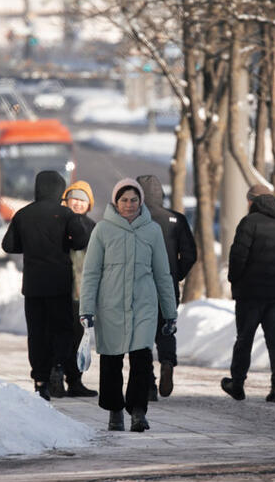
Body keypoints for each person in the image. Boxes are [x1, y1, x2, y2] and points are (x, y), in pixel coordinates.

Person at [79, 178, 178, 432]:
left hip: (144, 305)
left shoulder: (152, 230)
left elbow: (162, 274)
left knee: (141, 359)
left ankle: (137, 412)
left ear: (141, 201)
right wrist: (86, 309)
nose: (129, 204)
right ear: (116, 202)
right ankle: (115, 411)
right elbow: (91, 273)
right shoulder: (102, 230)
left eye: (134, 200)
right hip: (110, 305)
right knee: (111, 361)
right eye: (124, 200)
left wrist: (170, 313)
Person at [2, 170, 88, 401]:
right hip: (59, 283)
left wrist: (29, 246)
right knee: (62, 329)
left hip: (33, 285)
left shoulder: (23, 214)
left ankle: (40, 380)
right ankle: (58, 366)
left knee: (37, 333)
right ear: (60, 189)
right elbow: (81, 241)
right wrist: (65, 243)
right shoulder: (66, 214)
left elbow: (8, 245)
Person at [221, 184, 275, 403]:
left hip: (250, 293)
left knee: (244, 338)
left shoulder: (249, 223)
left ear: (252, 201)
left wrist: (235, 279)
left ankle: (237, 384)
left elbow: (238, 256)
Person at [136, 175, 197, 400]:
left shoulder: (132, 219)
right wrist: (175, 274)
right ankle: (168, 362)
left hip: (139, 287)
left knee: (141, 335)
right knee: (166, 328)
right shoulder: (176, 219)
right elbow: (190, 254)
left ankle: (148, 385)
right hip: (167, 286)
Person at [61, 180, 98, 397]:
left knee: (78, 336)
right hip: (61, 287)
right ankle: (56, 376)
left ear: (89, 204)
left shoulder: (93, 227)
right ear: (66, 200)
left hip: (82, 290)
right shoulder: (58, 222)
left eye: (82, 200)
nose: (77, 203)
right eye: (74, 198)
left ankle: (75, 380)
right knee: (60, 334)